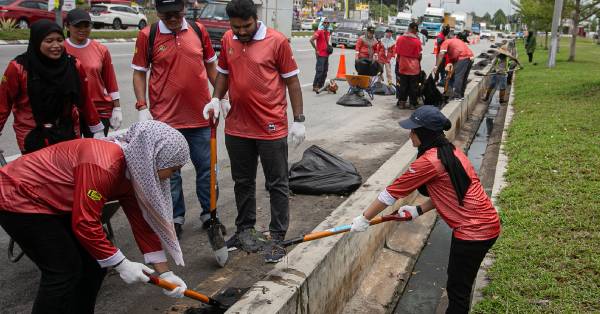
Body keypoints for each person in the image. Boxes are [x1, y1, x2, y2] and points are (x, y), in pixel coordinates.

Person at [0, 120, 190, 314]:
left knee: (94, 265)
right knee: (63, 271)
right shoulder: (104, 164)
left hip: (53, 201)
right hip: (19, 196)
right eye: (173, 169)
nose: (173, 175)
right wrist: (121, 263)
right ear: (153, 157)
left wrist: (165, 273)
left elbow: (142, 223)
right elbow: (84, 223)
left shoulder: (135, 170)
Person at [350, 106, 501, 314]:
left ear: (424, 133)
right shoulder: (451, 151)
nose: (410, 134)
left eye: (413, 130)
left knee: (458, 291)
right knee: (460, 283)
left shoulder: (429, 161)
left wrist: (363, 218)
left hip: (473, 232)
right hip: (487, 225)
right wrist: (418, 210)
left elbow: (390, 193)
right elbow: (451, 194)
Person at [204, 0, 305, 263]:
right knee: (242, 182)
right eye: (236, 27)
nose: (241, 32)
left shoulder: (277, 41)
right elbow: (223, 74)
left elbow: (292, 81)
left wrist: (299, 119)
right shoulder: (228, 38)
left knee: (277, 183)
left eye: (246, 26)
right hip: (237, 126)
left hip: (270, 126)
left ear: (255, 18)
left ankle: (278, 237)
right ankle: (244, 230)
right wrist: (216, 98)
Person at [131, 0, 222, 238]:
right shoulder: (147, 35)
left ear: (184, 10)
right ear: (158, 13)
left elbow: (211, 66)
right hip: (166, 120)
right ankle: (175, 218)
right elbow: (139, 73)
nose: (173, 19)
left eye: (177, 14)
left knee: (207, 170)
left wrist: (220, 98)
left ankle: (209, 215)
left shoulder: (197, 30)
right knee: (170, 175)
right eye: (167, 15)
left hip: (201, 117)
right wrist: (142, 106)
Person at [0, 20, 103, 154]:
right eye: (49, 41)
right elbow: (3, 103)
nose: (56, 45)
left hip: (68, 131)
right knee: (39, 174)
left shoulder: (73, 65)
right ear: (37, 42)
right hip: (33, 133)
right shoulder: (19, 68)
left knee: (68, 173)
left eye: (60, 40)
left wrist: (96, 127)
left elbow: (84, 99)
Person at [64, 8, 121, 137]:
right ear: (67, 26)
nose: (82, 29)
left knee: (96, 154)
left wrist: (117, 108)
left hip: (99, 110)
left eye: (86, 25)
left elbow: (110, 81)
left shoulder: (101, 49)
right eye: (77, 26)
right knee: (74, 154)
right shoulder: (60, 50)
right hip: (71, 111)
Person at [434, 32, 473, 100]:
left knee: (458, 76)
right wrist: (451, 71)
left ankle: (457, 96)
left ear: (446, 37)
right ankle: (461, 95)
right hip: (470, 57)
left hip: (463, 57)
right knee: (463, 78)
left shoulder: (446, 41)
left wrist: (436, 66)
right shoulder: (457, 41)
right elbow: (455, 60)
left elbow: (441, 55)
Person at [395, 22, 422, 110]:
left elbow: (397, 53)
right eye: (416, 30)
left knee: (403, 85)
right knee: (413, 86)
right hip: (413, 67)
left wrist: (399, 63)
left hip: (403, 65)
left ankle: (402, 103)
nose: (416, 32)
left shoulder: (400, 39)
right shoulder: (417, 41)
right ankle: (412, 104)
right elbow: (419, 55)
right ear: (414, 30)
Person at [309, 17, 332, 93]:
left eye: (328, 23)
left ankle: (321, 85)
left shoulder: (328, 33)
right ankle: (315, 86)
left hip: (326, 55)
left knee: (325, 71)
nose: (326, 24)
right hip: (321, 55)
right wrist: (316, 49)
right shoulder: (319, 32)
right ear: (322, 24)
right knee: (320, 70)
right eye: (325, 23)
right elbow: (311, 40)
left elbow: (327, 43)